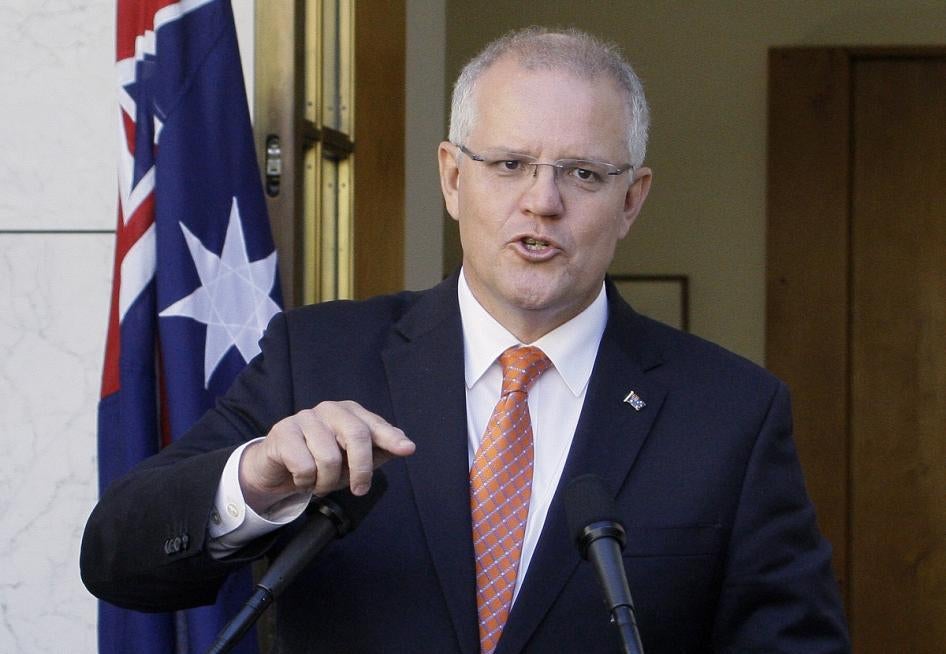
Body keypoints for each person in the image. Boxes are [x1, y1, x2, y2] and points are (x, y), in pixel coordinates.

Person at [81, 27, 850, 653]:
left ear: (631, 200)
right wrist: (255, 479)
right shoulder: (316, 358)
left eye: (582, 174)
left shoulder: (732, 414)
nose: (541, 202)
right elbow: (116, 556)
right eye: (510, 164)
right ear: (452, 178)